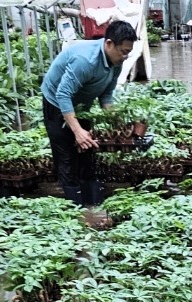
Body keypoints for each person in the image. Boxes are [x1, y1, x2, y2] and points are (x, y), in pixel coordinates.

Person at [41, 21, 137, 208]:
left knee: (86, 149)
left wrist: (119, 122)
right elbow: (63, 94)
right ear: (109, 43)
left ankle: (92, 203)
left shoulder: (115, 62)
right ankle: (74, 209)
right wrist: (76, 131)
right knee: (67, 154)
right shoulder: (85, 60)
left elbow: (106, 97)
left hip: (81, 103)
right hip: (55, 101)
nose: (126, 56)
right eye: (123, 51)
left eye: (128, 52)